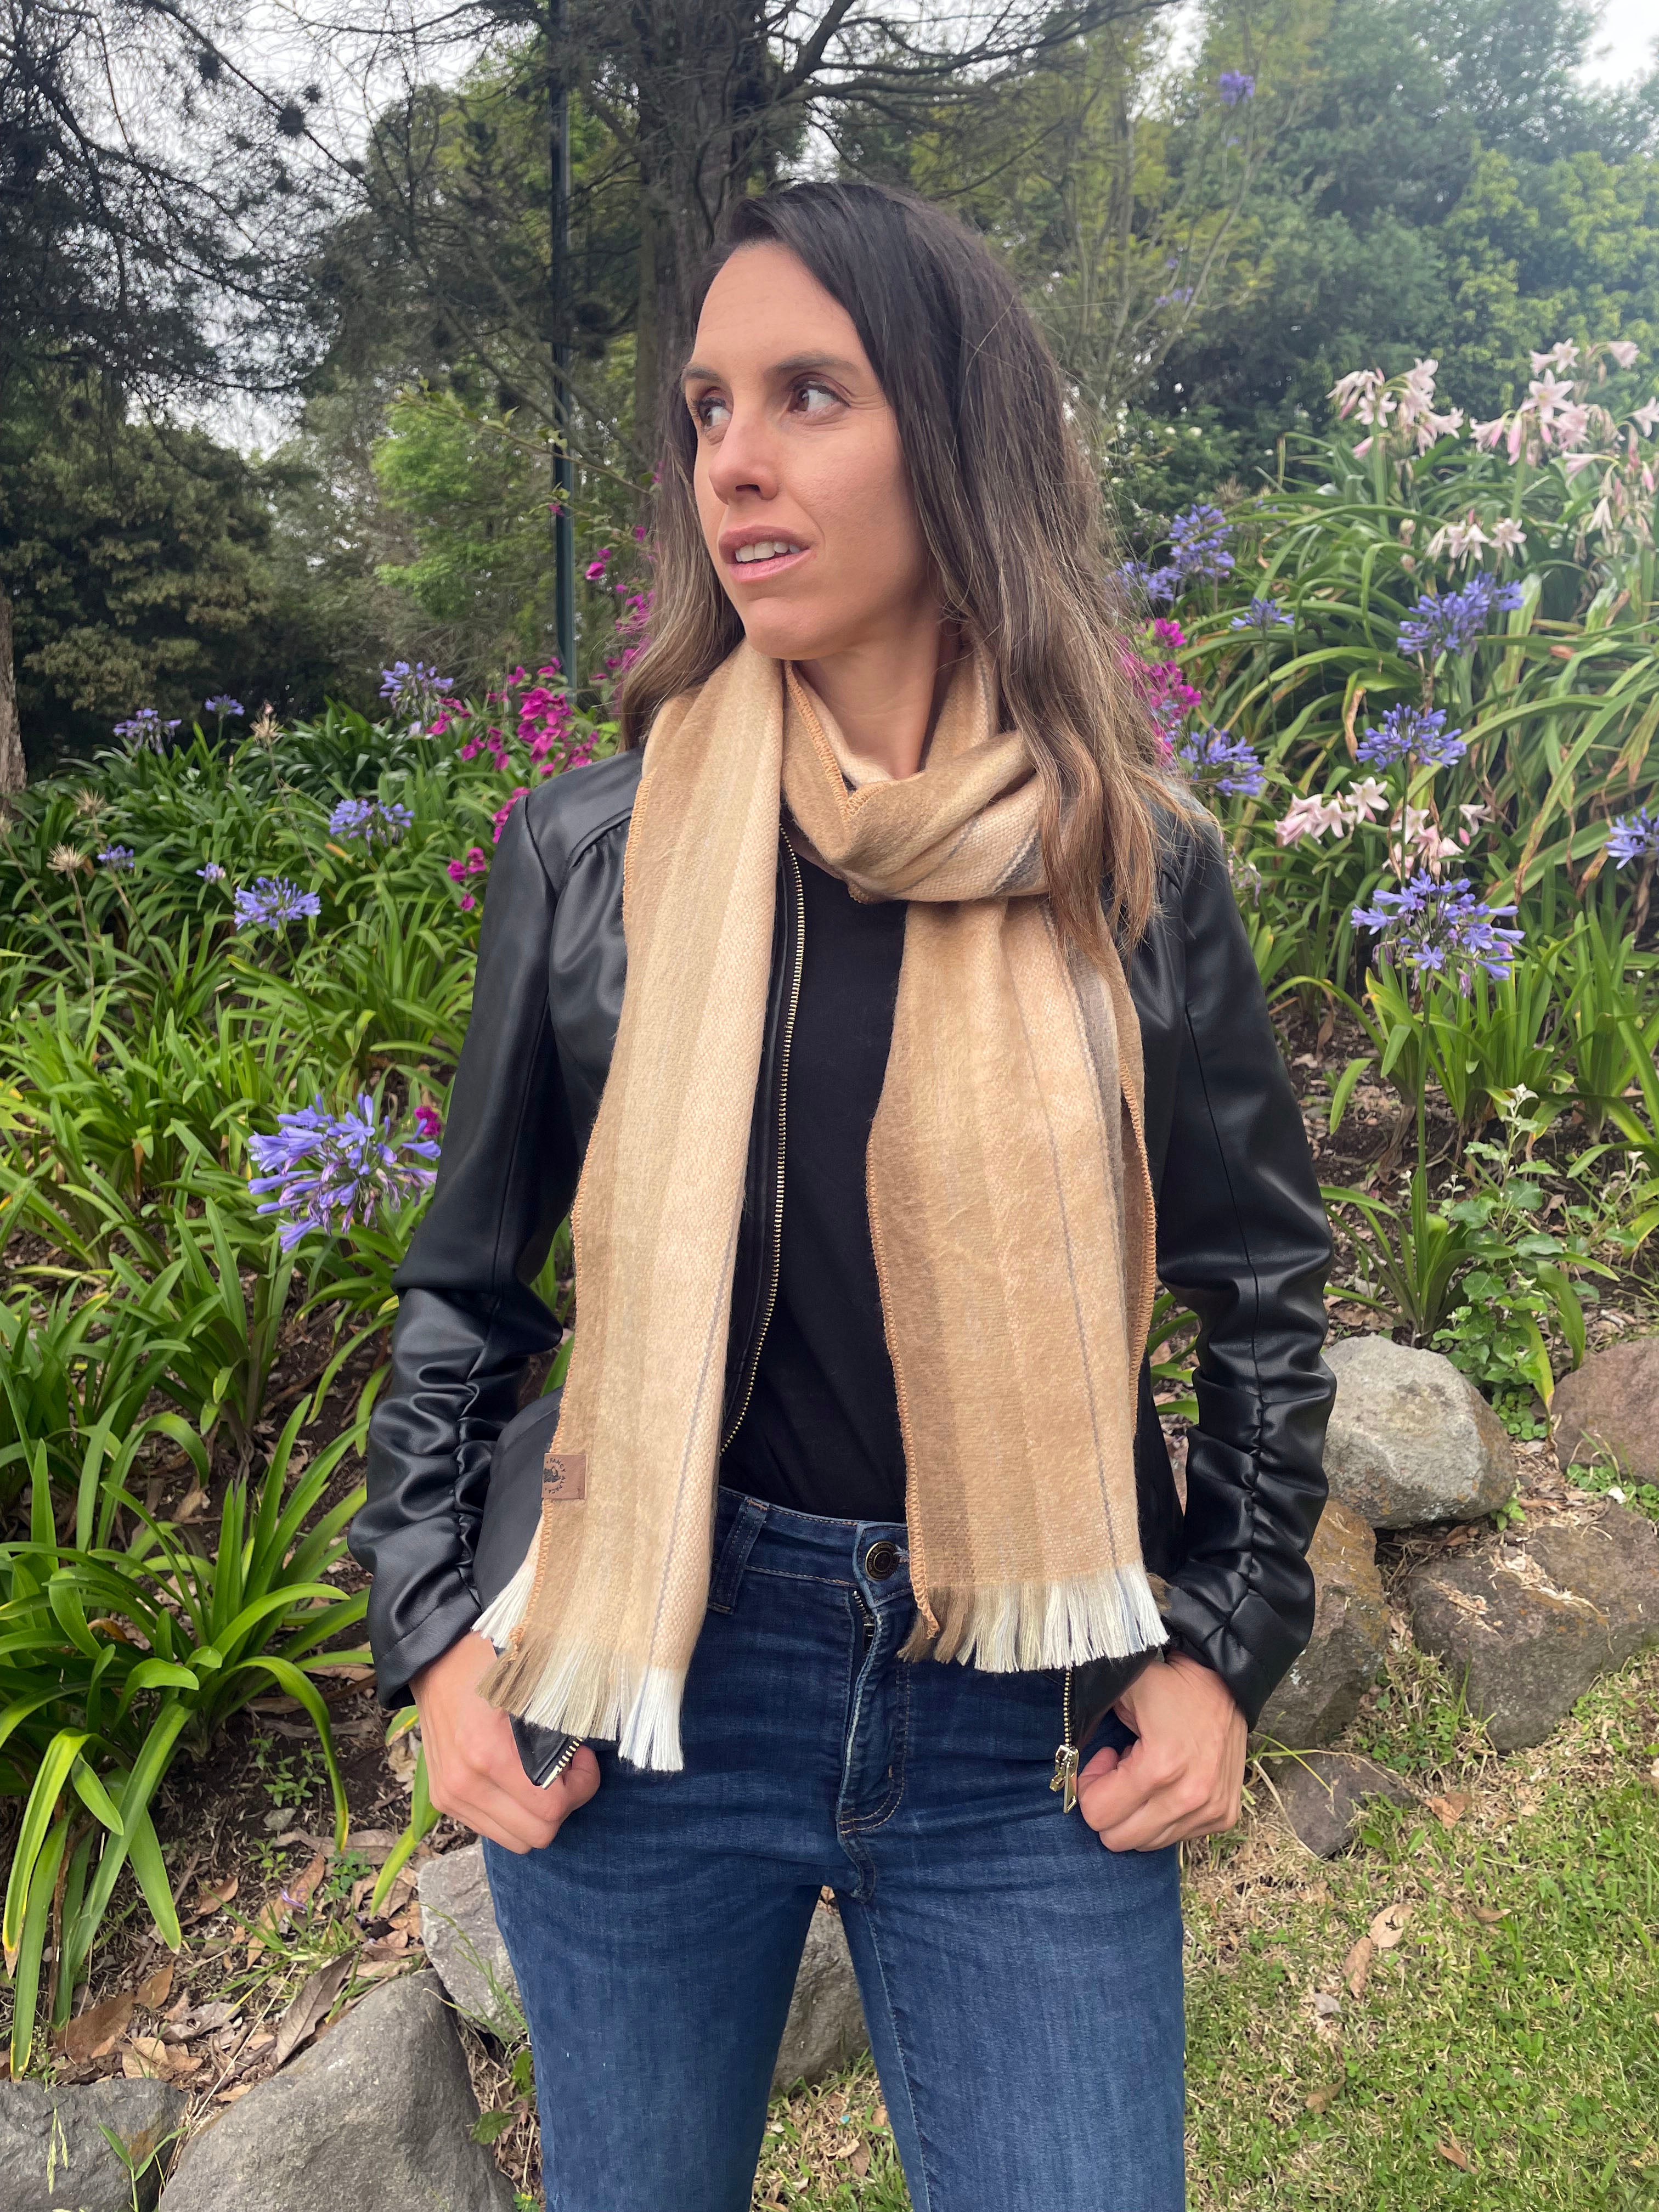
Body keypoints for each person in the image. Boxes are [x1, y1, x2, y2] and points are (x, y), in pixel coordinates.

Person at [351, 179, 1334, 2212]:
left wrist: (1222, 1642)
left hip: (1023, 1704)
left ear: (957, 436)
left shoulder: (1129, 862)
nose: (734, 458)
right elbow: (469, 1288)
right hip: (648, 1684)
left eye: (810, 393)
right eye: (710, 407)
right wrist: (436, 1632)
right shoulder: (595, 853)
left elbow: (1262, 1282)